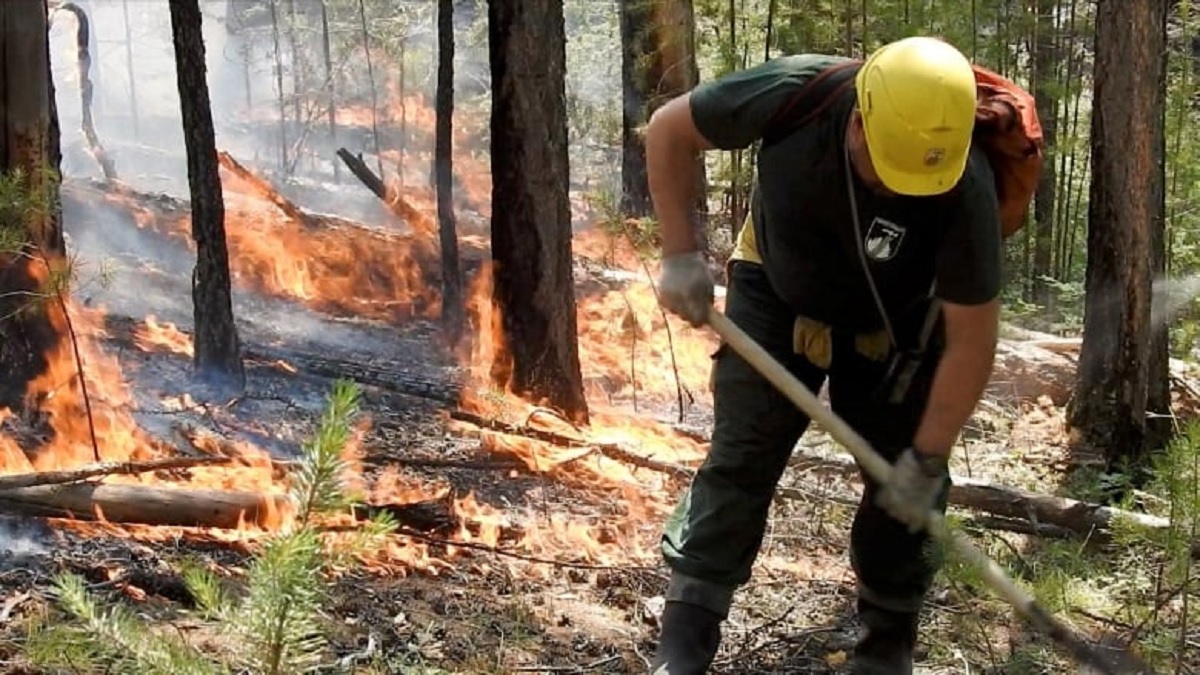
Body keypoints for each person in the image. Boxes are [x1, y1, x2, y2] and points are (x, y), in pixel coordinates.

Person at [642, 36, 1002, 674]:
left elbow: (971, 340)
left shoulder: (963, 183)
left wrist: (928, 455)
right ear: (860, 122)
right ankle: (684, 644)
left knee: (905, 487)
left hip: (896, 327)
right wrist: (677, 253)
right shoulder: (796, 95)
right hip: (773, 290)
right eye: (889, 173)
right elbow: (671, 129)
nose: (903, 194)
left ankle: (885, 650)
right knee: (742, 458)